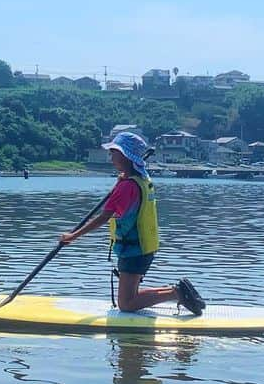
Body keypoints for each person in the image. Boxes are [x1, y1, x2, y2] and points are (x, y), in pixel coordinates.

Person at [59, 131, 206, 315]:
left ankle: (177, 293)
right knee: (129, 297)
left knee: (127, 303)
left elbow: (104, 217)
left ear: (127, 156)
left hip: (134, 250)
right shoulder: (140, 179)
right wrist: (123, 177)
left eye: (114, 152)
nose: (111, 157)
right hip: (144, 246)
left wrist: (73, 236)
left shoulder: (127, 186)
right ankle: (177, 291)